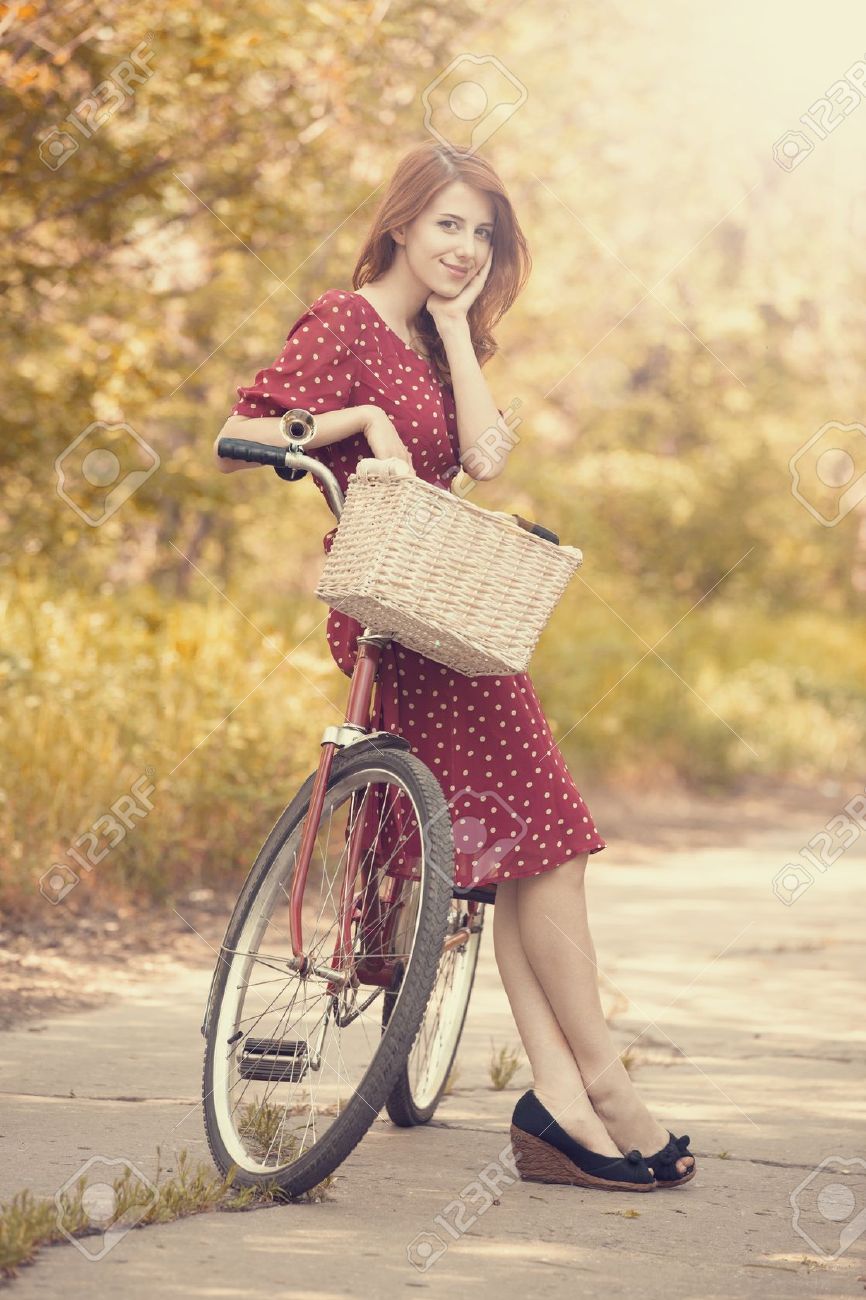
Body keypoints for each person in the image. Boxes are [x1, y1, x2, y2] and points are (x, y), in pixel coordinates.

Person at [214, 140, 695, 1193]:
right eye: (445, 225)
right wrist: (360, 418)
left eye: (480, 233)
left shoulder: (440, 340)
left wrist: (447, 329)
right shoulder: (341, 321)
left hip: (450, 614)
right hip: (392, 612)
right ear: (398, 223)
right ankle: (597, 1092)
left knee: (533, 855)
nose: (463, 247)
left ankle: (566, 1100)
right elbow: (239, 429)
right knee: (550, 846)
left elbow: (482, 460)